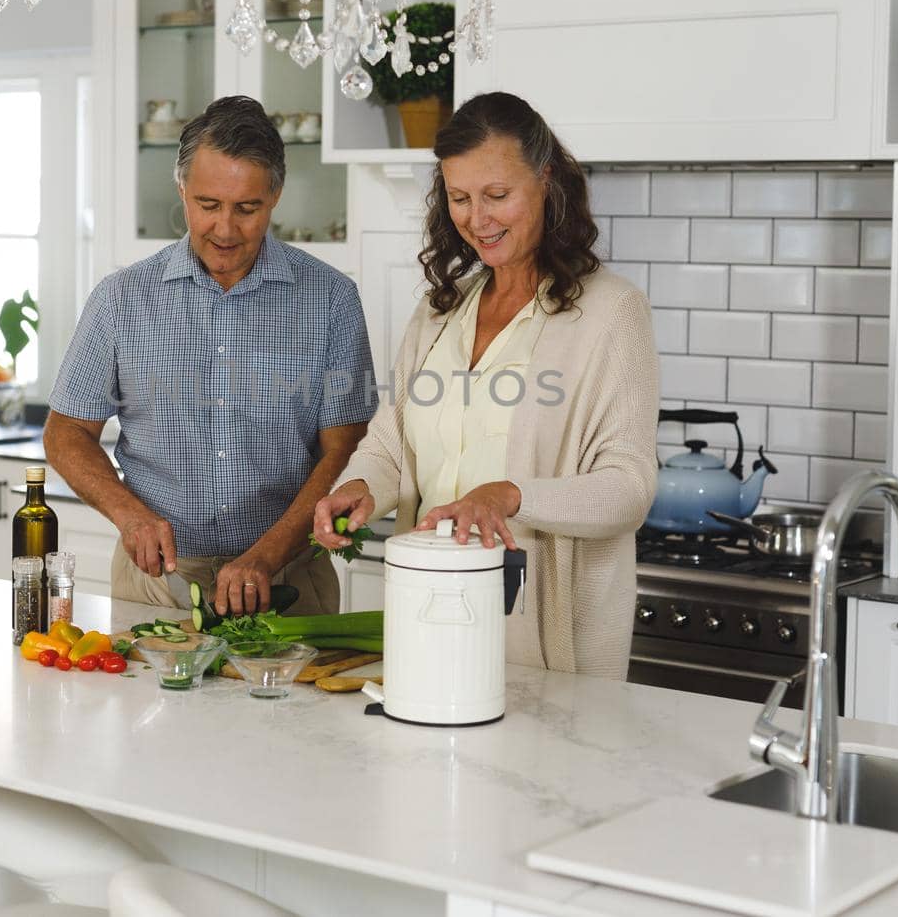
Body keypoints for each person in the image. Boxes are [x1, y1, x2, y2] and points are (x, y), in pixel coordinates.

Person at [312, 91, 659, 677]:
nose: (478, 219)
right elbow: (390, 444)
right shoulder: (439, 311)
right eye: (460, 198)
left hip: (534, 637)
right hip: (429, 618)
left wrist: (512, 495)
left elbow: (629, 488)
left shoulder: (611, 312)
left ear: (546, 182)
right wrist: (360, 486)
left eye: (497, 195)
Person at [46, 96, 376, 617]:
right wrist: (129, 515)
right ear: (182, 190)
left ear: (275, 196)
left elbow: (347, 448)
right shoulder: (121, 298)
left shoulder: (332, 299)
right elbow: (65, 433)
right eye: (207, 205)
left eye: (247, 208)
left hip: (290, 581)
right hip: (158, 582)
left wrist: (266, 557)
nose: (225, 229)